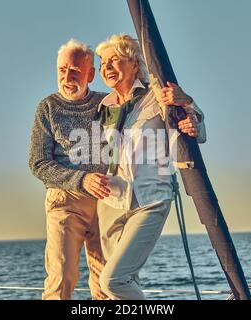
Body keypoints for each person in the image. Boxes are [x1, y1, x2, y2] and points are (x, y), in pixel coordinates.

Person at [95, 34, 207, 300]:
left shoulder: (156, 97)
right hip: (110, 203)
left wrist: (187, 103)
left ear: (134, 64)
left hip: (150, 200)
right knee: (125, 281)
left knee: (113, 281)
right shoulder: (103, 107)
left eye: (114, 60)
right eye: (103, 63)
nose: (107, 67)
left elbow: (197, 130)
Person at [29, 39, 112, 300]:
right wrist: (82, 180)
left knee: (108, 281)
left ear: (90, 74)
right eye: (62, 70)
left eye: (75, 71)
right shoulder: (47, 108)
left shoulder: (107, 104)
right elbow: (39, 163)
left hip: (107, 200)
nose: (67, 76)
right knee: (62, 276)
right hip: (65, 201)